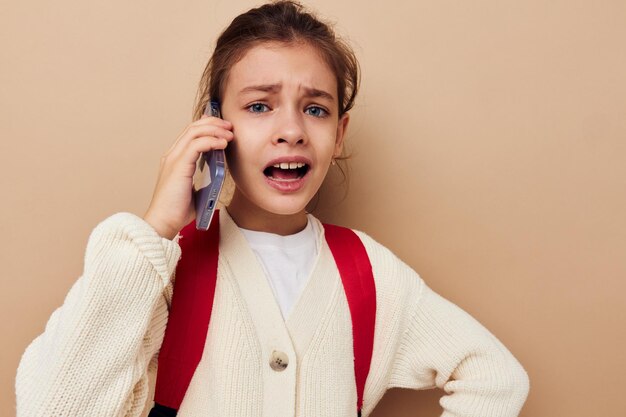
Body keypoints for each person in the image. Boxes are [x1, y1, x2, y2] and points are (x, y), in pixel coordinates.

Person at [15, 1, 529, 416]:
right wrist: (155, 229)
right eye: (259, 106)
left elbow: (497, 378)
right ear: (216, 126)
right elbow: (53, 408)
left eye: (316, 109)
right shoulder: (159, 266)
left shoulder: (368, 272)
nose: (292, 129)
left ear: (339, 133)